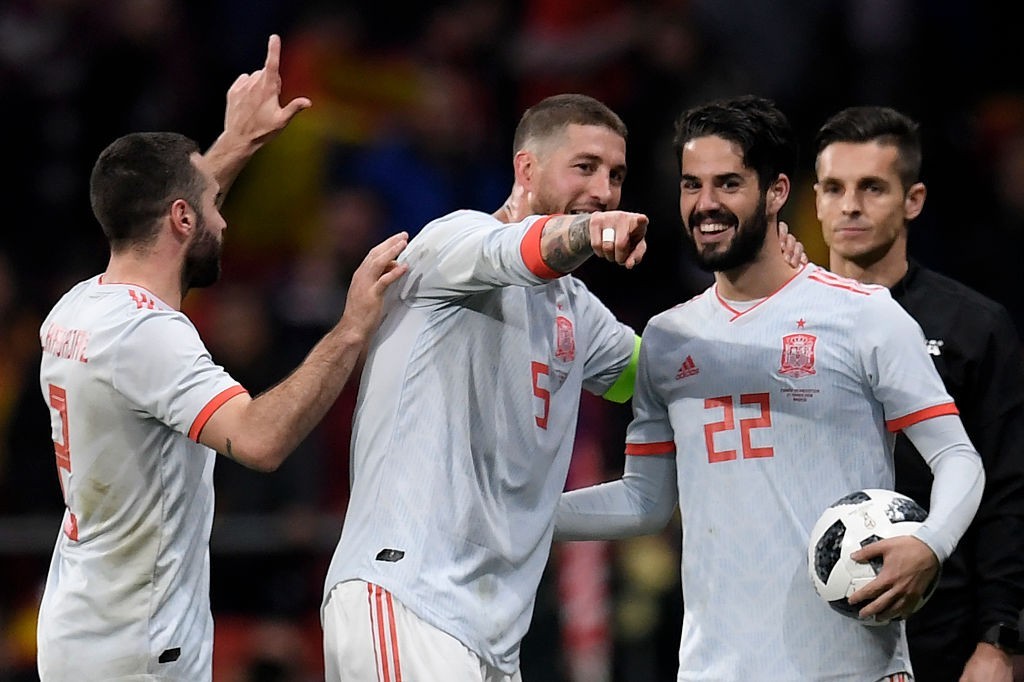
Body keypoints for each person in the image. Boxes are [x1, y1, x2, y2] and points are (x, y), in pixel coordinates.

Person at [318, 92, 806, 682]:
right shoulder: (451, 243)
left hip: (490, 634)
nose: (604, 190)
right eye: (586, 167)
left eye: (617, 176)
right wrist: (590, 230)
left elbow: (673, 377)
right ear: (526, 168)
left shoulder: (573, 310)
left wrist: (782, 301)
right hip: (407, 595)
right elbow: (522, 250)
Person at [553, 95, 986, 681]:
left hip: (851, 668)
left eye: (728, 183)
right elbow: (643, 501)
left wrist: (930, 543)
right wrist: (514, 512)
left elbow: (957, 456)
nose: (705, 205)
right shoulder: (666, 338)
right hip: (714, 669)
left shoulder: (865, 316)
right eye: (691, 185)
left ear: (777, 191)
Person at [35, 35, 409, 682]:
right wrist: (352, 328)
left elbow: (181, 217)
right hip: (141, 650)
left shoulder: (75, 308)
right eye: (211, 208)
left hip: (77, 628)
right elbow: (259, 441)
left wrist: (238, 142)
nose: (226, 222)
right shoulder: (151, 337)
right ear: (182, 217)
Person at [813, 105, 1024, 681]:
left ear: (914, 200)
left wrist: (1000, 639)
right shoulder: (781, 325)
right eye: (833, 187)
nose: (849, 205)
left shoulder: (975, 328)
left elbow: (1010, 489)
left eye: (872, 188)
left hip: (943, 634)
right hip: (805, 634)